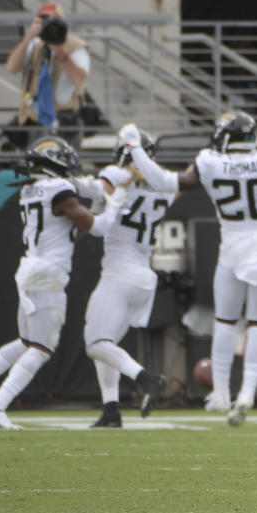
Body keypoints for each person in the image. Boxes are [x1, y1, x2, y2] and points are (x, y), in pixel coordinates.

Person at [117, 111, 257, 427]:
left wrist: (135, 147)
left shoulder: (210, 162)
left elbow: (164, 181)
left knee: (225, 320)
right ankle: (247, 393)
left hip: (233, 249)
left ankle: (220, 393)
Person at [0, 136, 130, 429]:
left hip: (31, 268)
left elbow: (68, 233)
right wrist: (113, 205)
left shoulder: (31, 189)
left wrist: (97, 204)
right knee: (43, 347)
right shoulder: (59, 189)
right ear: (54, 161)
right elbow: (98, 229)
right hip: (48, 273)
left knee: (25, 342)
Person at [79, 130, 177, 428]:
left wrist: (76, 183)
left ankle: (147, 378)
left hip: (120, 272)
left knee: (95, 343)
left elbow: (97, 189)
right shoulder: (166, 185)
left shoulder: (115, 174)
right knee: (106, 345)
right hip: (144, 276)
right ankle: (111, 409)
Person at [4, 1, 90, 150]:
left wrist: (61, 51)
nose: (48, 25)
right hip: (34, 120)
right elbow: (11, 67)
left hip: (64, 122)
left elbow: (79, 79)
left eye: (52, 21)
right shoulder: (34, 45)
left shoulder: (76, 46)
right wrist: (29, 37)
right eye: (43, 21)